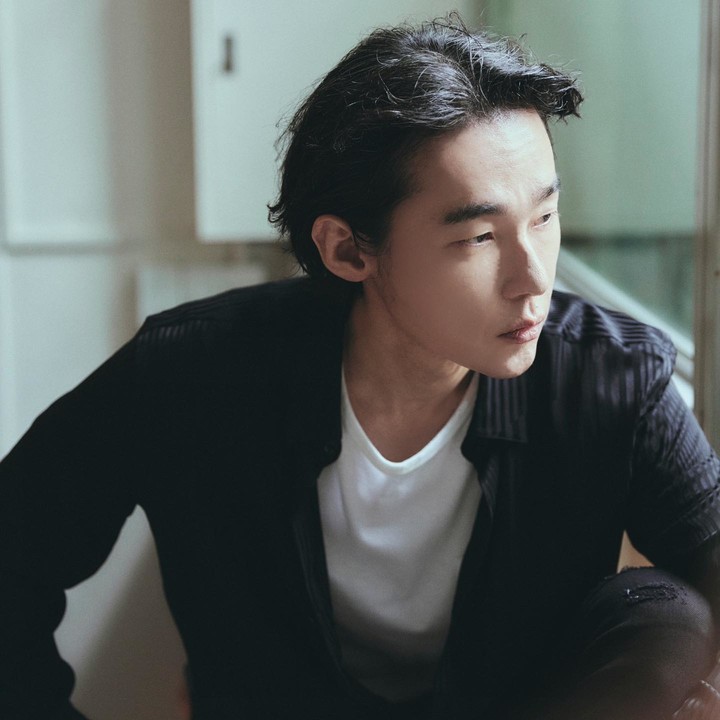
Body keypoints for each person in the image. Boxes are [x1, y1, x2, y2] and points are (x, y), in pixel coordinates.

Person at [1, 16, 719, 720]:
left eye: (544, 217)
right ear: (348, 250)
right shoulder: (193, 372)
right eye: (478, 237)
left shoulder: (612, 377)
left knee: (670, 614)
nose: (532, 277)